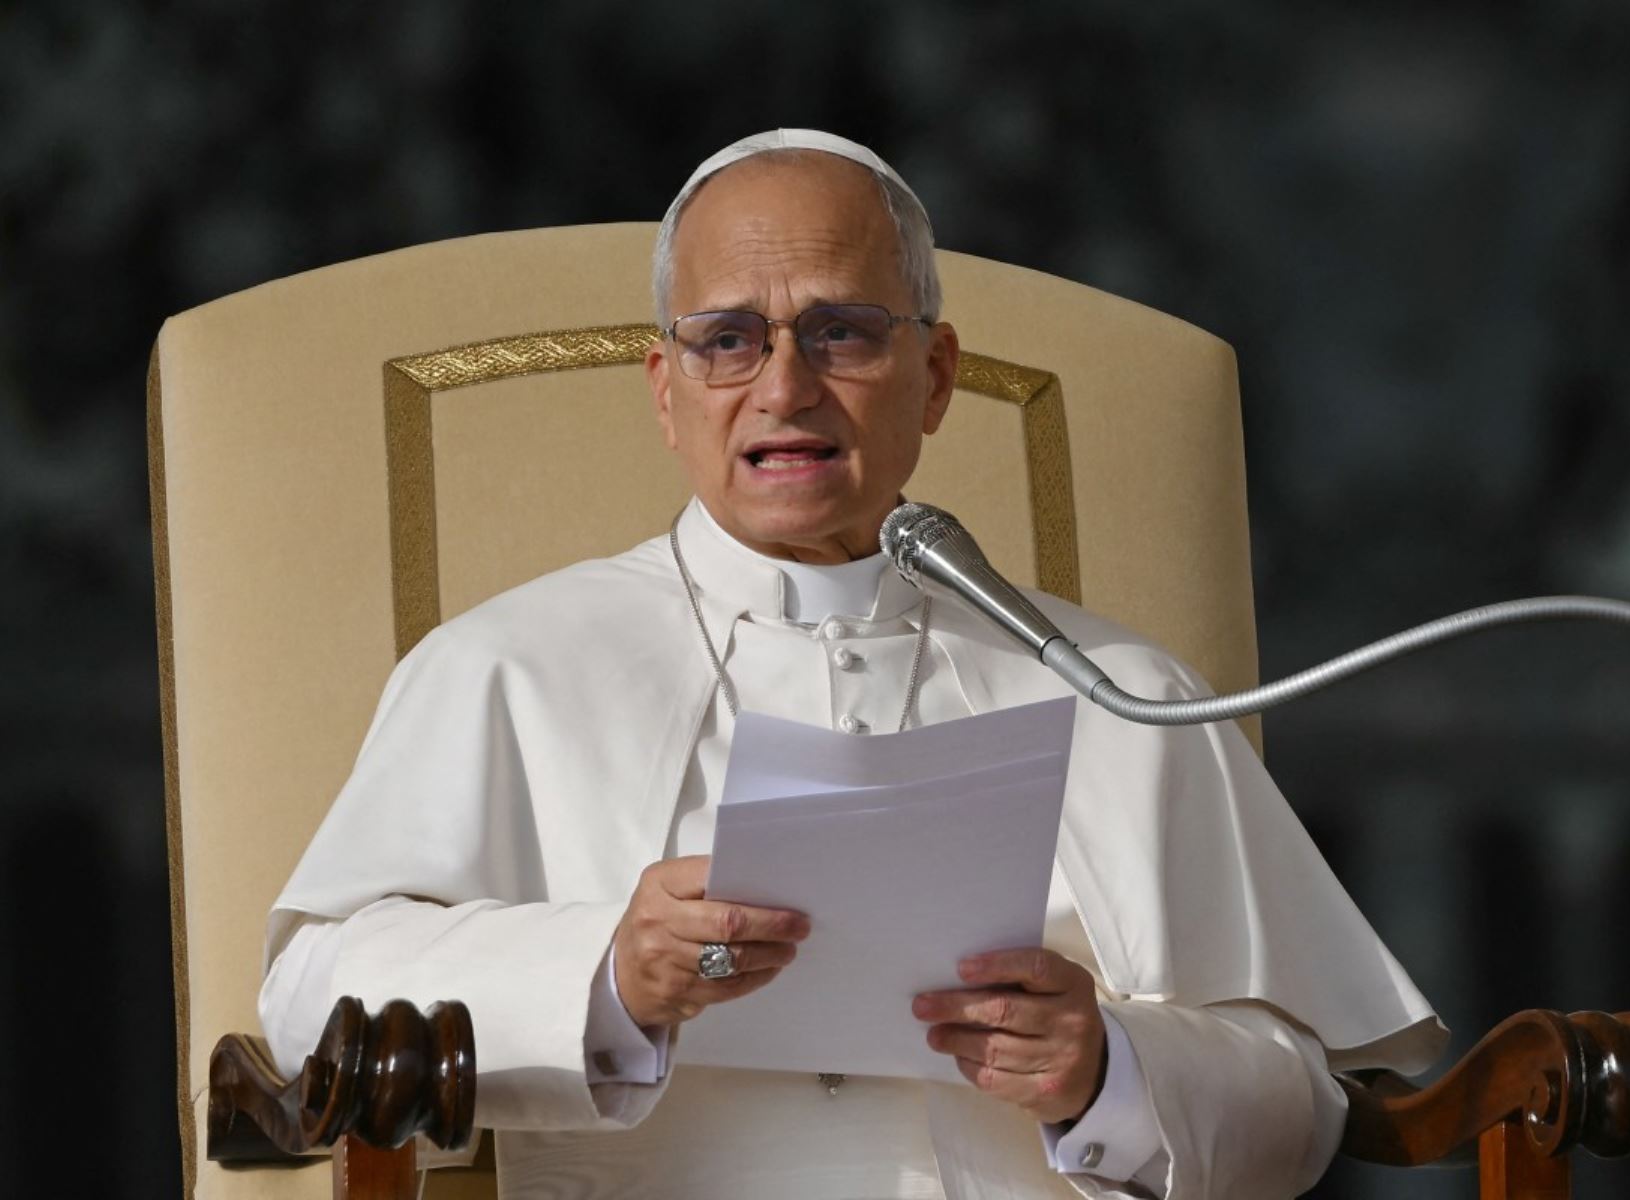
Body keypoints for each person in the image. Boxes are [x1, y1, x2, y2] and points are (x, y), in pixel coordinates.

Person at [261, 129, 1444, 1200]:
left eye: (841, 331)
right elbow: (312, 1004)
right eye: (728, 340)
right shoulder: (508, 668)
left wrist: (1107, 1068)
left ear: (933, 378)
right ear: (666, 393)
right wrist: (607, 974)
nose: (785, 387)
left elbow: (1300, 1106)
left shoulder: (1119, 686)